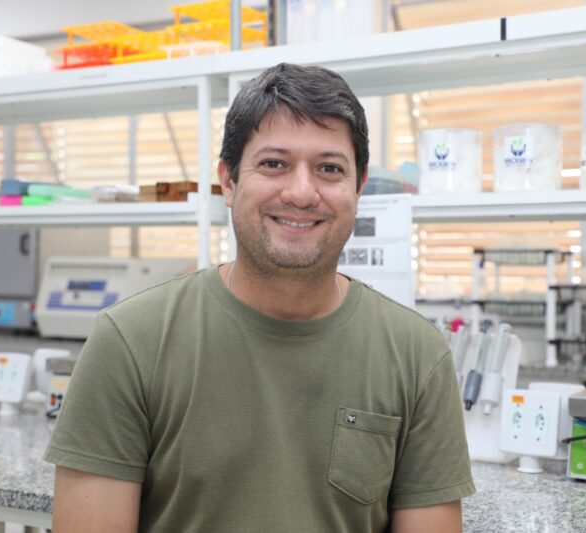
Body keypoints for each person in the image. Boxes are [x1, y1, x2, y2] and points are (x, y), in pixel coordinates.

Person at [45, 63, 474, 532]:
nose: (301, 192)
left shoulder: (417, 356)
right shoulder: (130, 343)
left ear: (359, 187)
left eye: (329, 168)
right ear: (228, 181)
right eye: (274, 164)